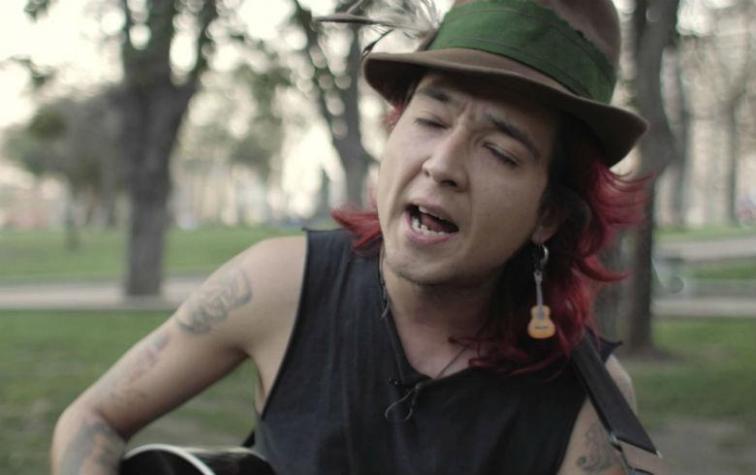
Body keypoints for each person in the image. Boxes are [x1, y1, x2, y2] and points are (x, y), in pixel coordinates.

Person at [51, 0, 653, 474]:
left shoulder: (591, 414)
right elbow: (92, 417)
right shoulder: (278, 286)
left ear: (548, 213)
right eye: (431, 119)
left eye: (499, 150)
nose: (442, 164)